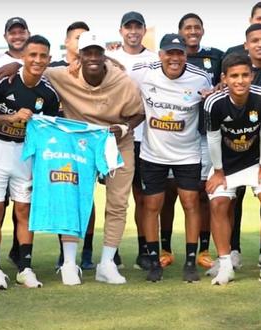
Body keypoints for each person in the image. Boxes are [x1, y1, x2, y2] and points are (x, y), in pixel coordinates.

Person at [43, 32, 145, 284]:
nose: (92, 57)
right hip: (79, 145)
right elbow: (35, 71)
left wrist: (124, 127)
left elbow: (138, 113)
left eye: (97, 52)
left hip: (117, 142)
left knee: (118, 203)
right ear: (78, 56)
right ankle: (68, 264)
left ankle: (107, 263)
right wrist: (14, 64)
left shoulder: (122, 80)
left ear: (103, 55)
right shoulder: (61, 75)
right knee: (72, 199)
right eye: (87, 52)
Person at [0, 35, 59, 289]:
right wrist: (9, 118)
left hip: (26, 154)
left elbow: (51, 131)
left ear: (49, 59)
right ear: (23, 56)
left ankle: (25, 267)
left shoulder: (49, 93)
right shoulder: (3, 81)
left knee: (23, 210)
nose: (37, 60)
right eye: (32, 55)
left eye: (42, 56)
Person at [130, 33, 211, 282]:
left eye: (179, 53)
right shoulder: (143, 73)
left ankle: (189, 262)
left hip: (188, 153)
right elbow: (113, 73)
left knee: (191, 203)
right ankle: (155, 262)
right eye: (169, 53)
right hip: (153, 154)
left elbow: (215, 95)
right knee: (151, 205)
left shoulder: (201, 77)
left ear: (185, 55)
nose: (174, 58)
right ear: (161, 54)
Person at [204, 53, 261, 285]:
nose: (240, 81)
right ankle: (225, 264)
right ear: (224, 78)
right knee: (218, 203)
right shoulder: (213, 103)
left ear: (252, 76)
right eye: (234, 76)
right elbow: (213, 139)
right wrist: (218, 171)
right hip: (225, 165)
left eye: (245, 75)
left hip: (257, 161)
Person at [106, 11, 158, 270]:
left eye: (138, 27)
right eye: (129, 27)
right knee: (116, 196)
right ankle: (112, 251)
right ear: (121, 31)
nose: (133, 31)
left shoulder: (155, 59)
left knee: (143, 197)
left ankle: (145, 250)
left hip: (145, 137)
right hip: (116, 138)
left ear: (144, 30)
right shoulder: (111, 58)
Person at [49, 21, 102, 270]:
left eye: (86, 38)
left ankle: (88, 251)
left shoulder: (98, 66)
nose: (81, 42)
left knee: (88, 199)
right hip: (63, 144)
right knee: (66, 199)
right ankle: (65, 253)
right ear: (68, 43)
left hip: (90, 141)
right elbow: (31, 67)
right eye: (77, 38)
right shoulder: (56, 70)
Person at [178, 12, 224, 269]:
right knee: (181, 195)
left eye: (197, 27)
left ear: (203, 30)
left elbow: (227, 80)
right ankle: (167, 248)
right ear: (181, 32)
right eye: (188, 28)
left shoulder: (216, 55)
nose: (193, 31)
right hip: (180, 138)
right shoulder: (170, 57)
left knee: (206, 194)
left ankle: (204, 250)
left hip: (206, 136)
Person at [0, 16, 30, 268]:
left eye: (21, 31)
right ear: (5, 37)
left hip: (25, 149)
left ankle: (21, 258)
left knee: (22, 209)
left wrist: (19, 66)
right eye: (12, 32)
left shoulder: (39, 61)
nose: (17, 36)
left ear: (28, 33)